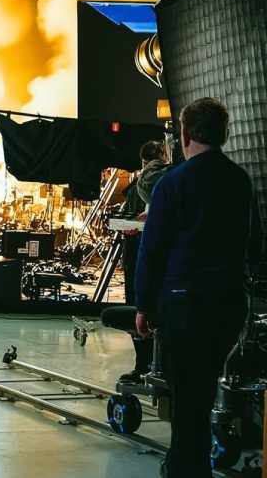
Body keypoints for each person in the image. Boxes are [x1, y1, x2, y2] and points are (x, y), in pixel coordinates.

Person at [134, 97, 263, 478]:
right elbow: (253, 246)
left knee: (187, 397)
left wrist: (144, 304)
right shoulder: (240, 181)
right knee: (202, 388)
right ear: (225, 134)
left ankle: (186, 469)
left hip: (183, 304)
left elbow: (152, 249)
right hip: (227, 304)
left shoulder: (172, 182)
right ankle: (185, 464)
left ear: (185, 134)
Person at [99, 140, 168, 384]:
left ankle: (154, 366)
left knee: (149, 315)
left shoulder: (164, 184)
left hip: (152, 261)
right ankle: (143, 365)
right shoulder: (140, 189)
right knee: (137, 316)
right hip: (137, 258)